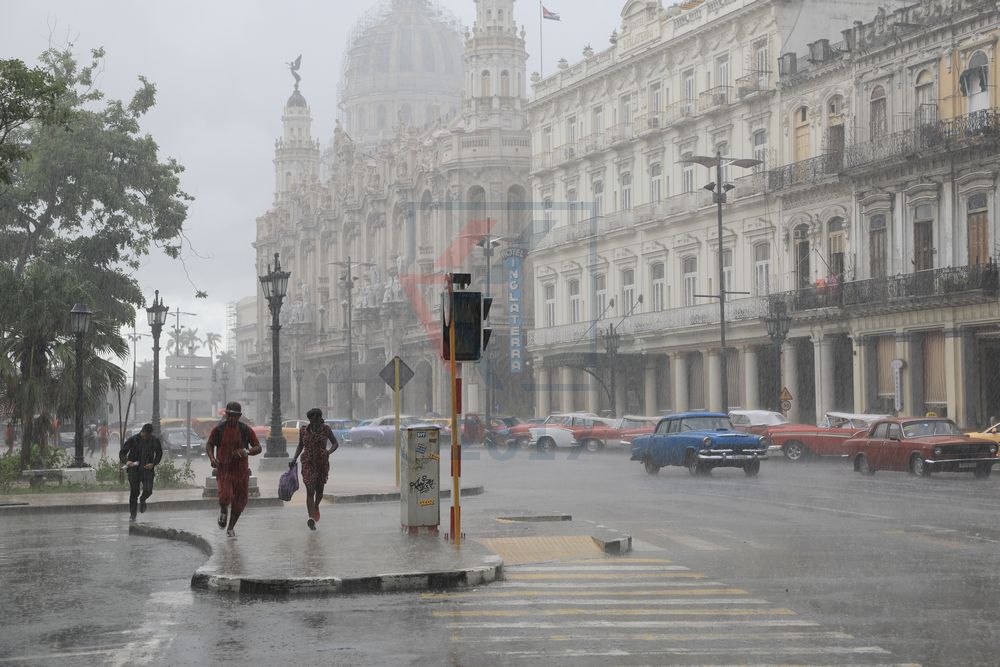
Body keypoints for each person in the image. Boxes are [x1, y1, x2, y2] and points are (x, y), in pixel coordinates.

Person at [207, 402, 261, 538]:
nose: (232, 419)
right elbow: (209, 444)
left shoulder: (245, 430)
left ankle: (231, 527)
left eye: (235, 416)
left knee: (240, 501)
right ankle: (223, 510)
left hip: (241, 471)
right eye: (230, 415)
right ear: (226, 415)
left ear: (239, 416)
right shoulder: (219, 429)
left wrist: (246, 451)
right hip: (224, 469)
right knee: (225, 495)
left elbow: (258, 447)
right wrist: (212, 459)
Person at [290, 408, 339, 530]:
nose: (315, 421)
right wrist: (294, 458)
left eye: (317, 419)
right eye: (312, 419)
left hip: (322, 462)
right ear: (310, 419)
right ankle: (311, 518)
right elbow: (300, 445)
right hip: (308, 462)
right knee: (310, 489)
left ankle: (316, 506)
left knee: (320, 491)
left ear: (319, 418)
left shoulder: (326, 429)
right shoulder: (303, 430)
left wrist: (328, 452)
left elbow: (335, 443)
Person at [119, 423, 163, 522]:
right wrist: (127, 461)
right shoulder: (133, 440)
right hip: (134, 470)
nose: (144, 436)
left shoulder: (154, 440)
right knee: (134, 492)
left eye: (147, 435)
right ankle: (133, 515)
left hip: (147, 470)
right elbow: (122, 453)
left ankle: (143, 499)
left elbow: (159, 454)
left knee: (148, 490)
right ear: (141, 431)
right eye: (143, 433)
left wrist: (153, 463)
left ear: (150, 434)